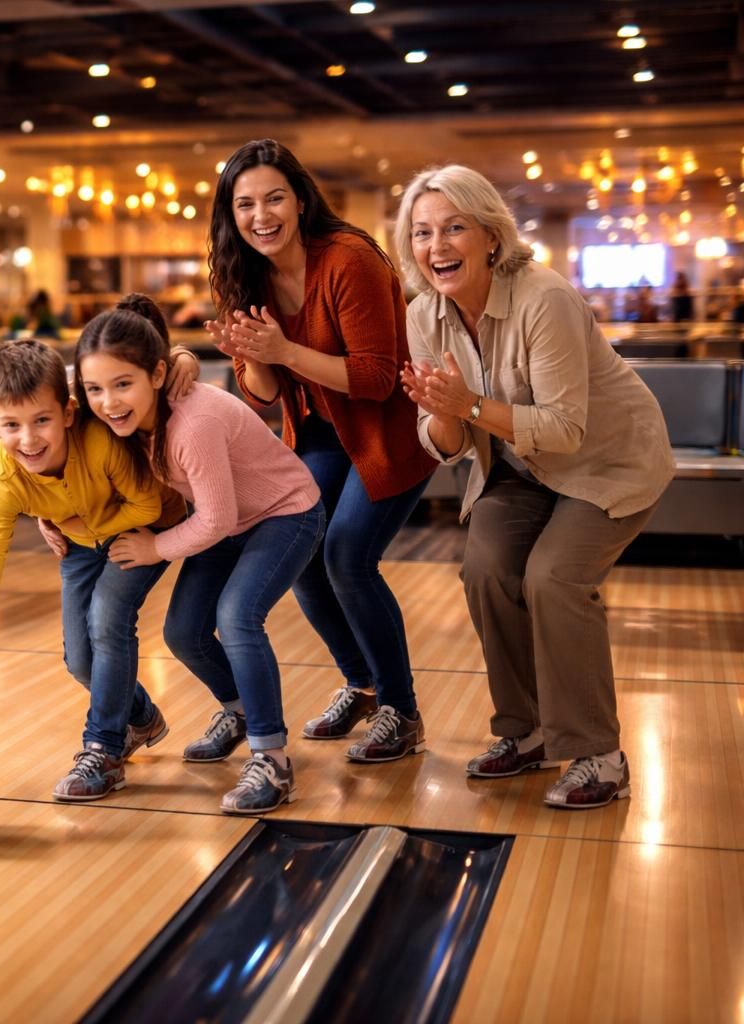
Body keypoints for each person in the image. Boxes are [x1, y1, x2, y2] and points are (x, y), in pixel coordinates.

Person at [397, 164, 673, 809]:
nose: (436, 246)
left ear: (491, 236)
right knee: (485, 569)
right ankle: (524, 734)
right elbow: (446, 443)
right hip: (518, 471)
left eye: (454, 228)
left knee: (552, 578)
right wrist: (442, 411)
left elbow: (565, 430)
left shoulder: (543, 297)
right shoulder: (423, 315)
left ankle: (599, 753)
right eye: (421, 233)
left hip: (605, 463)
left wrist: (463, 405)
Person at [0, 338, 201, 802]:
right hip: (79, 543)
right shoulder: (3, 474)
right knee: (80, 660)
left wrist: (183, 356)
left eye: (42, 421)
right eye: (11, 425)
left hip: (145, 530)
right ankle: (140, 716)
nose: (29, 439)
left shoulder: (97, 437)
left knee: (108, 620)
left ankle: (105, 750)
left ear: (68, 413)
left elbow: (145, 503)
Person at [206, 139, 437, 763]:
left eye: (274, 197)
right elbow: (264, 393)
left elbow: (375, 378)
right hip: (317, 435)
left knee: (347, 555)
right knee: (303, 555)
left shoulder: (349, 259)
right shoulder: (244, 272)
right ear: (230, 215)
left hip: (388, 430)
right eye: (245, 203)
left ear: (301, 199)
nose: (261, 215)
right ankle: (361, 684)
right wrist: (254, 358)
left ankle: (401, 710)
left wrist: (281, 351)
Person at [81, 295, 324, 814]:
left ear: (156, 375)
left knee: (237, 617)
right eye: (95, 389)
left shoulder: (192, 423)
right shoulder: (116, 415)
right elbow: (49, 416)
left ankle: (273, 760)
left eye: (123, 384)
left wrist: (154, 549)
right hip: (228, 520)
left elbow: (213, 520)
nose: (109, 402)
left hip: (285, 512)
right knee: (183, 633)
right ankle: (239, 711)